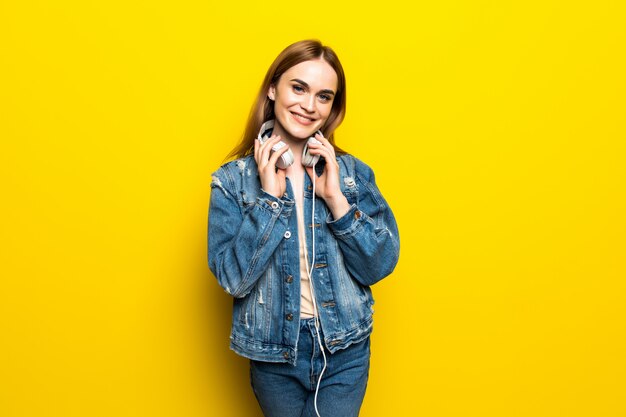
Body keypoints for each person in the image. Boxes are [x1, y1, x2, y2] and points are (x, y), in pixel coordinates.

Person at [208, 39, 400, 417]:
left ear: (332, 107)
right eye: (299, 88)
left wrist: (337, 202)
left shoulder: (351, 175)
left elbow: (379, 265)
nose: (309, 106)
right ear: (273, 89)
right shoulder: (230, 182)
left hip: (344, 348)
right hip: (274, 353)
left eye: (324, 96)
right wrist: (269, 200)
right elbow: (233, 279)